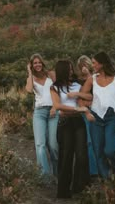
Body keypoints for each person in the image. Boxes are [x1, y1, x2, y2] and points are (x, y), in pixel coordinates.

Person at [80, 52, 115, 180]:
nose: (92, 65)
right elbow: (81, 97)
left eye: (94, 63)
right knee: (98, 152)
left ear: (102, 64)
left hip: (112, 117)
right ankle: (107, 181)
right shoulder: (92, 79)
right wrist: (86, 112)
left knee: (110, 150)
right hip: (95, 118)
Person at [50, 59, 91, 199]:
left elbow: (89, 98)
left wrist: (78, 95)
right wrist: (77, 108)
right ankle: (63, 191)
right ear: (62, 71)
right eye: (69, 69)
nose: (71, 72)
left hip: (78, 122)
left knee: (81, 155)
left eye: (72, 69)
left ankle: (79, 188)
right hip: (65, 123)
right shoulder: (54, 87)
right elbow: (58, 106)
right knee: (66, 156)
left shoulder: (77, 85)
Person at [25, 53, 58, 177]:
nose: (37, 65)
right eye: (34, 63)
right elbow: (28, 90)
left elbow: (59, 91)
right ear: (31, 65)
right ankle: (45, 176)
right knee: (40, 144)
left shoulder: (51, 75)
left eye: (39, 62)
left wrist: (55, 106)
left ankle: (57, 172)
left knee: (53, 145)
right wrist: (29, 72)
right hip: (39, 113)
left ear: (42, 63)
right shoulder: (31, 78)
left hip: (54, 111)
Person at [77, 55, 98, 177]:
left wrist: (90, 74)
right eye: (81, 66)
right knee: (89, 141)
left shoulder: (96, 77)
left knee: (99, 140)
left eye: (85, 65)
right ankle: (93, 171)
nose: (83, 68)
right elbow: (79, 98)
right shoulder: (79, 81)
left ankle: (102, 167)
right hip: (86, 112)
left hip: (99, 111)